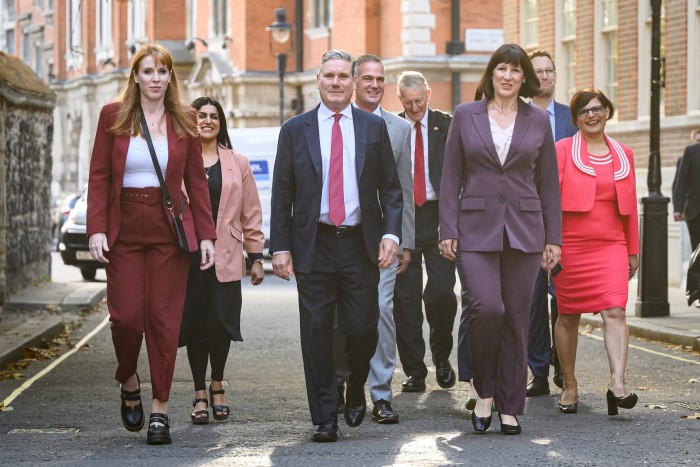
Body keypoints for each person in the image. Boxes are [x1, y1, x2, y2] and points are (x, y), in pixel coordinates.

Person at [86, 43, 217, 445]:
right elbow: (99, 176)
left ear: (170, 77)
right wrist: (96, 228)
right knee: (125, 317)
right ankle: (129, 379)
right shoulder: (113, 115)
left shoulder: (185, 118)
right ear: (136, 77)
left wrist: (207, 234)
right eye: (148, 72)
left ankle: (160, 409)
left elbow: (196, 180)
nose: (156, 78)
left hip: (168, 231)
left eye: (162, 72)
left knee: (164, 321)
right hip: (123, 227)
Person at [270, 49, 402, 442]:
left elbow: (391, 188)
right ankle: (326, 415)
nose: (336, 82)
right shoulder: (295, 129)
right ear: (318, 80)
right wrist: (280, 247)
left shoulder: (371, 127)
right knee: (316, 330)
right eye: (329, 75)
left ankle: (356, 381)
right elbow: (282, 193)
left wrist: (392, 235)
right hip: (315, 243)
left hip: (360, 243)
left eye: (344, 76)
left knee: (363, 327)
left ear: (352, 81)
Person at [439, 43, 562, 435]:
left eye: (515, 70)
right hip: (475, 228)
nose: (508, 76)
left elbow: (548, 185)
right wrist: (447, 228)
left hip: (526, 232)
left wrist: (553, 238)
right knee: (487, 308)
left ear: (523, 77)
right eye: (501, 69)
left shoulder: (538, 119)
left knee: (516, 317)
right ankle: (484, 389)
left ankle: (510, 404)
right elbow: (450, 176)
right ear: (491, 74)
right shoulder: (465, 115)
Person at [332, 54, 414, 424]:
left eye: (380, 79)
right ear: (353, 81)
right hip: (340, 239)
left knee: (381, 312)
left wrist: (403, 240)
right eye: (367, 78)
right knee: (339, 318)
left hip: (381, 241)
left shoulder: (398, 128)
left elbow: (403, 189)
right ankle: (342, 384)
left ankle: (381, 394)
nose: (374, 85)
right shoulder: (333, 122)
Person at [552, 89, 639, 416]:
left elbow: (630, 208)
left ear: (607, 112)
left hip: (612, 245)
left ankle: (618, 384)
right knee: (568, 316)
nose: (592, 115)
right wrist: (551, 245)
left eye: (598, 109)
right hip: (571, 246)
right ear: (575, 118)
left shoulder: (624, 153)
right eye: (585, 111)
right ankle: (570, 384)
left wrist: (633, 250)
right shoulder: (561, 151)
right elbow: (549, 202)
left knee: (615, 311)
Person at [179, 96, 265, 425]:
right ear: (191, 120)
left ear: (221, 123)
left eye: (214, 116)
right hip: (188, 258)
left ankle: (218, 384)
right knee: (196, 325)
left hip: (227, 255)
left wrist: (256, 256)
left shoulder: (237, 162)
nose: (207, 121)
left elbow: (251, 212)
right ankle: (200, 391)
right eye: (201, 115)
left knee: (221, 324)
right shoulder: (180, 161)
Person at [394, 71, 458, 393]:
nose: (415, 107)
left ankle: (442, 358)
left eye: (420, 100)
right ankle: (415, 371)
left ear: (429, 94)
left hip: (439, 219)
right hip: (406, 219)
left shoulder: (447, 125)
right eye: (409, 103)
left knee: (442, 294)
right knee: (405, 300)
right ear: (400, 101)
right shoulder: (392, 128)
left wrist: (452, 224)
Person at [526, 50, 579, 397]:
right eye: (538, 72)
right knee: (531, 299)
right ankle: (539, 371)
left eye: (549, 71)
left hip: (566, 217)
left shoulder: (573, 118)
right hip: (527, 216)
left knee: (564, 295)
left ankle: (564, 367)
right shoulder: (518, 116)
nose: (544, 76)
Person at [673, 129, 700, 251]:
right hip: (695, 211)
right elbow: (681, 182)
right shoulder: (691, 152)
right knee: (697, 251)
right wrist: (678, 207)